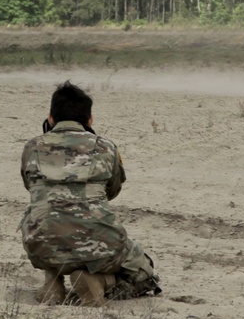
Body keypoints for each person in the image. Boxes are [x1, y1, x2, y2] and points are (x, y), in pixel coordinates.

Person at [19, 81, 161, 306]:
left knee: (46, 215)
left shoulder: (32, 147)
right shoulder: (105, 147)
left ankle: (52, 282)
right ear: (90, 120)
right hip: (99, 247)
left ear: (51, 118)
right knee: (145, 274)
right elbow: (112, 191)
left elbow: (32, 188)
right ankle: (99, 282)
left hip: (41, 248)